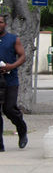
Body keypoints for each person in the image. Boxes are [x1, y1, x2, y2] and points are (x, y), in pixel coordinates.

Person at [0, 14, 28, 151]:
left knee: (9, 108)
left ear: (5, 24)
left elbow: (22, 56)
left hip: (10, 80)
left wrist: (11, 66)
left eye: (0, 22)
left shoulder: (13, 39)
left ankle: (22, 130)